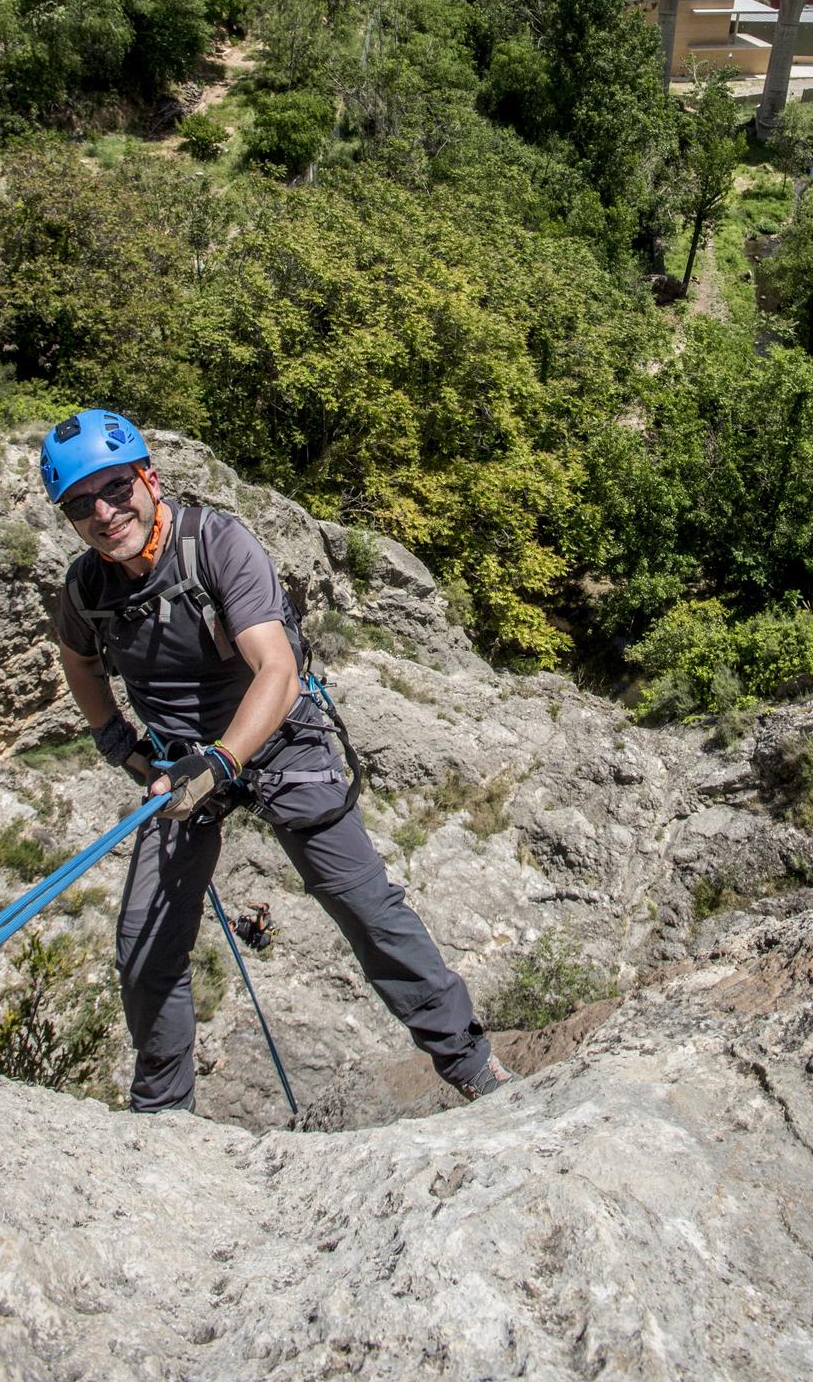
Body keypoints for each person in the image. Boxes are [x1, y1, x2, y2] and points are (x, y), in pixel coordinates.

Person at [42, 408, 511, 1114]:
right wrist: (118, 742)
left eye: (114, 489)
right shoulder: (88, 588)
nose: (104, 513)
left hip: (277, 743)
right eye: (81, 505)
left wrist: (224, 759)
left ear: (149, 478)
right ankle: (163, 1116)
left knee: (366, 910)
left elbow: (275, 670)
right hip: (179, 765)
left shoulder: (217, 545)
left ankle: (474, 1067)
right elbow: (77, 660)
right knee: (145, 945)